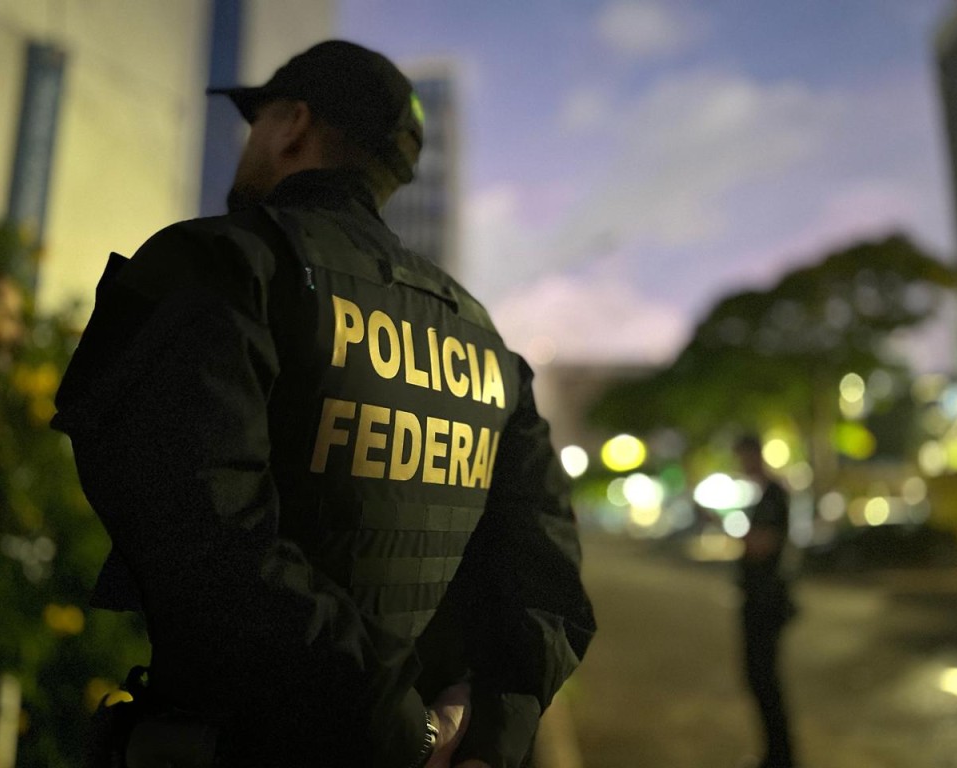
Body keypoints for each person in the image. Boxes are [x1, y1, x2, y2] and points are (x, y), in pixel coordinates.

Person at [53, 40, 595, 768]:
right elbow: (545, 576)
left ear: (292, 125)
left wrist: (397, 724)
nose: (250, 142)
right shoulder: (485, 342)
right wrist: (490, 720)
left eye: (257, 121)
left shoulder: (217, 265)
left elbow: (199, 536)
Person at [733, 435, 797, 768]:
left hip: (765, 602)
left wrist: (733, 531)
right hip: (759, 599)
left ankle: (780, 757)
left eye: (743, 456)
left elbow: (763, 544)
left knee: (764, 679)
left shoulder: (773, 495)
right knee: (759, 679)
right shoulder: (765, 495)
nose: (741, 464)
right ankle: (775, 754)